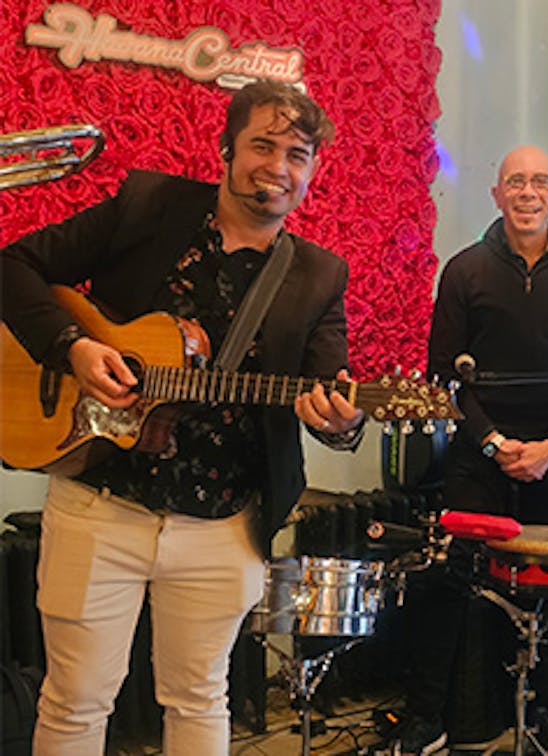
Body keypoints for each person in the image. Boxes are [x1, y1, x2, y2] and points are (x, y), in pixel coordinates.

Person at [1, 80, 365, 755]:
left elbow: (327, 390)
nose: (277, 167)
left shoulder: (318, 275)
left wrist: (340, 420)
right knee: (76, 701)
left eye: (297, 154)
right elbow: (14, 265)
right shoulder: (149, 207)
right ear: (226, 148)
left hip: (222, 525)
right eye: (262, 144)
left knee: (199, 698)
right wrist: (73, 347)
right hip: (100, 503)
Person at [388, 145, 548, 752]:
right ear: (497, 194)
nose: (528, 192)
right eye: (516, 181)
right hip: (476, 453)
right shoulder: (463, 271)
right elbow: (444, 375)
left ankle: (539, 715)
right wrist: (493, 442)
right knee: (454, 583)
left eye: (540, 181)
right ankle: (430, 716)